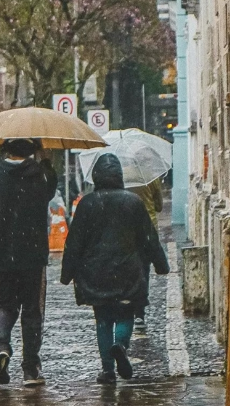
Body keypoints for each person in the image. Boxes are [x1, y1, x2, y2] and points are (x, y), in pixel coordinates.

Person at [60, 153, 169, 384]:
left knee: (102, 319)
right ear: (119, 175)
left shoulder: (87, 203)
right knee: (125, 313)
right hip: (127, 270)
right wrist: (161, 264)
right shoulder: (133, 202)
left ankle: (107, 370)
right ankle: (120, 344)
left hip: (95, 272)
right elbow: (149, 238)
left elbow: (74, 243)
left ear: (97, 176)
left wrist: (66, 273)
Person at [0, 138, 58, 387]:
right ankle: (30, 369)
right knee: (32, 311)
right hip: (33, 254)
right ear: (32, 150)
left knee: (5, 305)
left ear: (6, 149)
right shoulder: (40, 176)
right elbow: (50, 191)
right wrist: (45, 158)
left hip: (4, 252)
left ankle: (2, 345)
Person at [128, 177, 164, 332]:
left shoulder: (123, 176)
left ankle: (126, 305)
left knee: (126, 270)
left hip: (127, 230)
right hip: (149, 231)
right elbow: (159, 206)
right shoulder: (151, 178)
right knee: (144, 271)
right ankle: (139, 314)